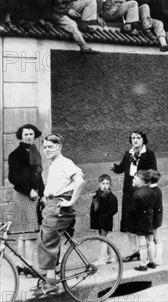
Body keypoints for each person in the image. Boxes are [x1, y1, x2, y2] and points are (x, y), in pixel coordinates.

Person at [38, 133, 85, 294]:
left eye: (50, 147)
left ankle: (51, 283)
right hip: (52, 204)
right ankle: (49, 277)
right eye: (44, 147)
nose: (46, 150)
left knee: (47, 240)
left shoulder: (65, 162)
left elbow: (80, 181)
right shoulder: (54, 164)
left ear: (59, 147)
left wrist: (71, 201)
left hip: (59, 207)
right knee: (46, 238)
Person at [111, 130, 158, 262]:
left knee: (142, 222)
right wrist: (115, 168)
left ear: (143, 140)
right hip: (128, 192)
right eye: (133, 138)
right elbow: (122, 168)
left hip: (142, 193)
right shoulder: (128, 153)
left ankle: (146, 251)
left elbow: (154, 173)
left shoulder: (149, 154)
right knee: (128, 221)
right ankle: (134, 251)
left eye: (138, 138)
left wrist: (144, 181)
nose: (135, 140)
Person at [7, 124, 45, 276]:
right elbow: (13, 177)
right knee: (29, 232)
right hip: (24, 195)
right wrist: (29, 190)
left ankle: (21, 265)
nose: (29, 136)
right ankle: (28, 265)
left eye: (31, 134)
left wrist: (41, 194)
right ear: (20, 136)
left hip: (34, 195)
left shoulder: (35, 152)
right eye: (26, 134)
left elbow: (39, 176)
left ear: (34, 135)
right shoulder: (16, 154)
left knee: (24, 231)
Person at [128, 170, 157, 271]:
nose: (133, 179)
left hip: (140, 220)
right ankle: (152, 262)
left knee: (141, 243)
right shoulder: (152, 192)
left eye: (135, 178)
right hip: (149, 218)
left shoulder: (137, 194)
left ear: (141, 182)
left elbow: (132, 210)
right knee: (150, 241)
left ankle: (143, 264)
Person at [89, 174, 119, 265]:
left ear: (110, 185)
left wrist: (106, 215)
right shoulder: (98, 195)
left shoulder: (111, 197)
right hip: (98, 220)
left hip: (105, 220)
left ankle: (102, 258)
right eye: (103, 183)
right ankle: (112, 256)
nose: (105, 185)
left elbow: (114, 209)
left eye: (107, 183)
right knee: (104, 238)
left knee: (103, 238)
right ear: (99, 184)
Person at [149, 170, 164, 265]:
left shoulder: (151, 191)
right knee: (156, 237)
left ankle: (154, 259)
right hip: (158, 216)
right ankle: (157, 259)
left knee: (152, 238)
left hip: (153, 217)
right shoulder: (157, 189)